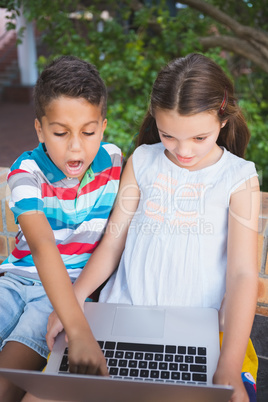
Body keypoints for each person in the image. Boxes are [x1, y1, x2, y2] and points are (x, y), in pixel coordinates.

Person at [37, 53, 260, 402]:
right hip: (120, 316)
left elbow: (244, 275)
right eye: (168, 134)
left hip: (195, 330)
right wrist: (73, 300)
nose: (183, 151)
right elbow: (112, 245)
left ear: (222, 116)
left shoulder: (239, 178)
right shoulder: (142, 161)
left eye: (199, 138)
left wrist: (230, 362)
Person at [0, 55, 122, 401]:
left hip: (60, 294)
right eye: (59, 132)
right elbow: (42, 247)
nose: (75, 147)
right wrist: (79, 332)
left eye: (88, 132)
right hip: (15, 280)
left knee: (6, 385)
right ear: (40, 129)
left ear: (103, 126)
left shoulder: (114, 163)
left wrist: (73, 320)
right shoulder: (26, 173)